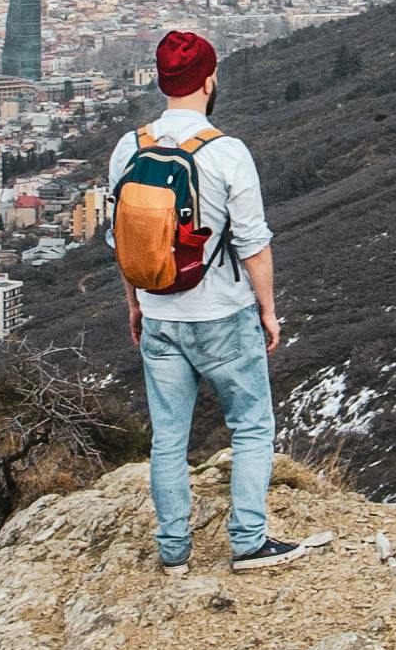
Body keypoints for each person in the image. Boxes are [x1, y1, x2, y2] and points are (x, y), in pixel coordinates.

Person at [111, 28, 309, 573]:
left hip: (158, 315)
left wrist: (135, 303)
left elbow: (123, 241)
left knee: (169, 437)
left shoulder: (131, 147)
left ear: (161, 80)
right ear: (209, 80)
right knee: (250, 426)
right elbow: (254, 243)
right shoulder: (227, 153)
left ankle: (173, 551)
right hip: (224, 313)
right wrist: (268, 310)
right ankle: (248, 540)